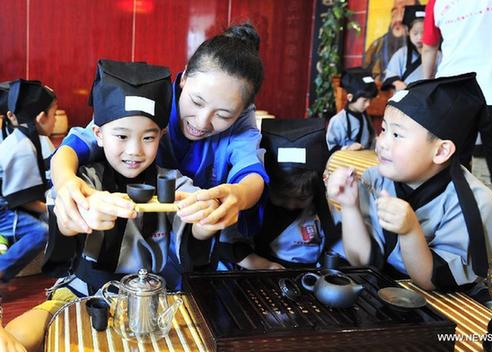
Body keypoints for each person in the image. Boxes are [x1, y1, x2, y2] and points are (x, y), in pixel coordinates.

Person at [4, 59, 219, 352]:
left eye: (148, 137)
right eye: (121, 136)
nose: (135, 150)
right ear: (98, 134)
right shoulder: (86, 179)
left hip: (152, 297)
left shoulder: (174, 183)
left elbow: (194, 231)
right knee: (20, 335)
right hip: (84, 291)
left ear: (162, 136)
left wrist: (205, 224)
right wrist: (77, 216)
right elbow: (64, 222)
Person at [50, 23, 267, 241]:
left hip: (192, 236)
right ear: (183, 79)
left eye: (223, 115)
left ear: (241, 112)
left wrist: (237, 196)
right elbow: (74, 147)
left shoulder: (241, 125)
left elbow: (251, 175)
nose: (201, 122)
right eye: (196, 101)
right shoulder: (154, 98)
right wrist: (67, 183)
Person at [327, 73, 492, 291]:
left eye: (397, 135)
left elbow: (433, 281)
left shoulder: (475, 203)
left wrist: (410, 230)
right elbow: (361, 261)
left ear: (440, 151)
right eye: (383, 130)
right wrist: (349, 205)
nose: (381, 143)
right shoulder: (375, 179)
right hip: (391, 288)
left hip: (451, 297)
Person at [421, 0, 492, 274]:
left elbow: (429, 49)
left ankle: (452, 247)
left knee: (450, 170)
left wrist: (425, 90)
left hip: (452, 93)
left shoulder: (437, 2)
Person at [219, 119, 345, 270]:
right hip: (264, 270)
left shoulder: (322, 208)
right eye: (282, 197)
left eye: (301, 198)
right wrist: (266, 266)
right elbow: (230, 246)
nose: (291, 205)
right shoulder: (254, 207)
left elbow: (338, 244)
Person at [0, 80, 57, 282]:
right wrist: (51, 208)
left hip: (6, 204)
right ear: (42, 117)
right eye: (55, 115)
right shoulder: (23, 148)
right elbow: (23, 200)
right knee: (41, 232)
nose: (55, 122)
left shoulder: (20, 138)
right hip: (3, 211)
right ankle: (2, 268)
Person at [382, 5, 442, 91]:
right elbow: (391, 75)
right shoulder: (401, 54)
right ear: (408, 32)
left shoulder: (438, 55)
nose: (419, 37)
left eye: (424, 33)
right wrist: (398, 83)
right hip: (406, 98)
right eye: (415, 33)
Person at [363, 0, 420, 81]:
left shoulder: (427, 46)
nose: (398, 19)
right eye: (395, 12)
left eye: (404, 11)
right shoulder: (377, 46)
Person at [326, 68, 378, 153]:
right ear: (350, 97)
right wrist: (347, 148)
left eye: (370, 100)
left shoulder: (366, 118)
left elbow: (371, 139)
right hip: (343, 163)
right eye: (365, 100)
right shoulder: (338, 121)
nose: (368, 104)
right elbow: (330, 147)